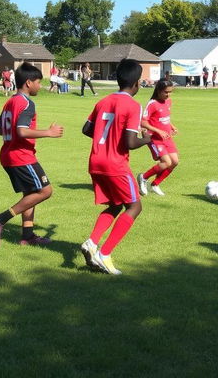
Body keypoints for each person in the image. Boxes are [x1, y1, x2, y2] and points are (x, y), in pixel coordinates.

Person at [80, 58, 151, 275]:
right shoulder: (133, 105)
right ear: (137, 83)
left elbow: (86, 129)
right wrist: (147, 139)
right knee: (135, 207)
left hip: (96, 161)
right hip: (116, 164)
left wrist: (107, 134)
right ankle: (105, 254)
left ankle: (91, 243)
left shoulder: (103, 101)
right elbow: (130, 142)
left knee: (115, 205)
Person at [0, 62, 63, 247]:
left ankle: (27, 236)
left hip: (8, 155)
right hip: (21, 156)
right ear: (29, 83)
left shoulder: (11, 101)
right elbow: (21, 131)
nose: (40, 86)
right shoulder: (27, 103)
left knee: (31, 193)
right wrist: (49, 132)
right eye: (39, 82)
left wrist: (12, 133)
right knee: (45, 191)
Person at [137, 79, 179, 197]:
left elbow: (164, 118)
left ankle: (155, 184)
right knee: (166, 162)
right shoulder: (152, 104)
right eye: (166, 92)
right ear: (159, 91)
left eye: (170, 92)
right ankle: (143, 178)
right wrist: (158, 131)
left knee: (174, 162)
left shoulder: (168, 101)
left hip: (167, 137)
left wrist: (171, 126)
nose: (168, 94)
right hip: (155, 138)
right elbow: (143, 122)